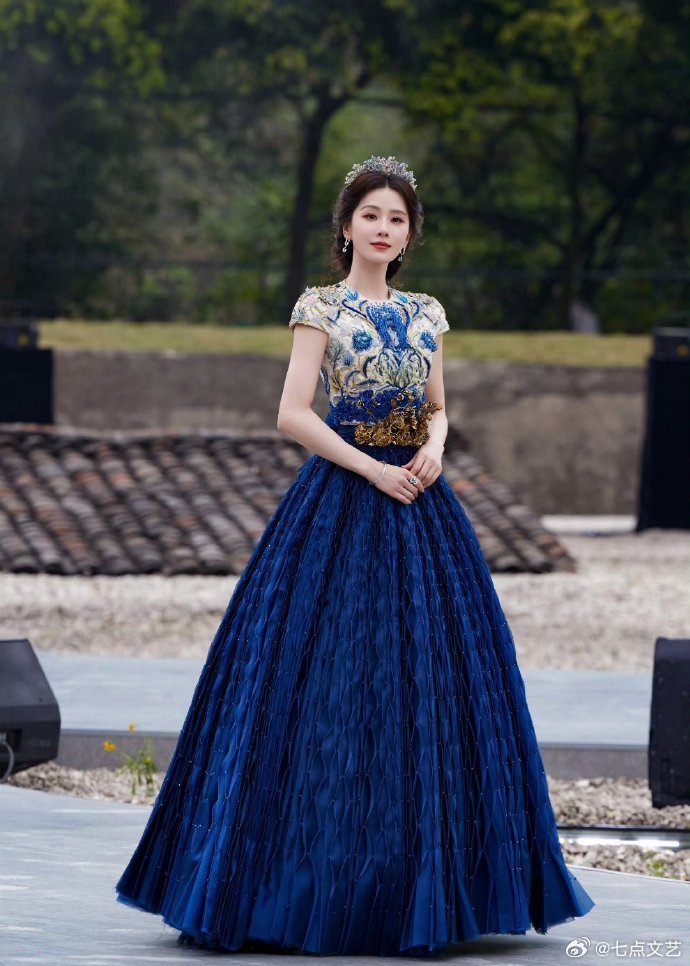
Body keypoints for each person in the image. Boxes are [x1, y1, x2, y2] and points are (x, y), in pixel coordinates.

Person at [114, 155, 595, 955]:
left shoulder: (427, 312)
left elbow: (438, 406)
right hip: (344, 497)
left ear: (408, 236)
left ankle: (434, 883)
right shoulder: (320, 307)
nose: (383, 227)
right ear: (346, 227)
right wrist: (372, 469)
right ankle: (304, 882)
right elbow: (293, 413)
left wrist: (434, 447)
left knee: (434, 679)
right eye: (370, 214)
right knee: (325, 678)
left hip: (421, 500)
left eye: (396, 218)